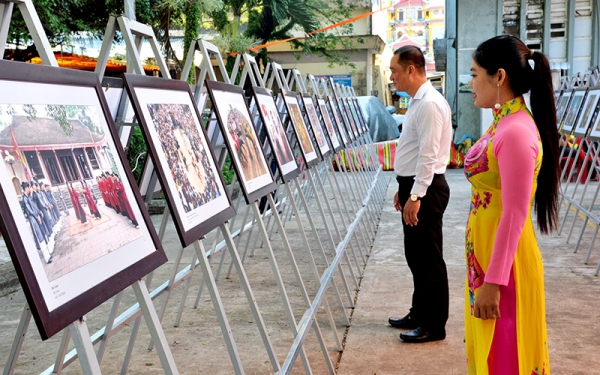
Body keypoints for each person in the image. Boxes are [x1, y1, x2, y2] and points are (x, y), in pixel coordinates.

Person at [464, 35, 559, 374]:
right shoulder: (503, 122)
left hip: (506, 268)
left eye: (475, 74)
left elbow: (516, 212)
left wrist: (494, 282)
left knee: (506, 357)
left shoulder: (516, 131)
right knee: (490, 355)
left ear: (499, 76)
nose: (470, 83)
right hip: (488, 257)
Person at [387, 45, 452, 343]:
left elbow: (428, 155)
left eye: (395, 71)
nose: (392, 77)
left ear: (411, 69)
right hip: (414, 185)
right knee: (416, 256)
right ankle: (419, 312)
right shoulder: (416, 101)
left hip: (426, 187)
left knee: (429, 259)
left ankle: (433, 325)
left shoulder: (429, 104)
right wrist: (406, 190)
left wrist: (416, 196)